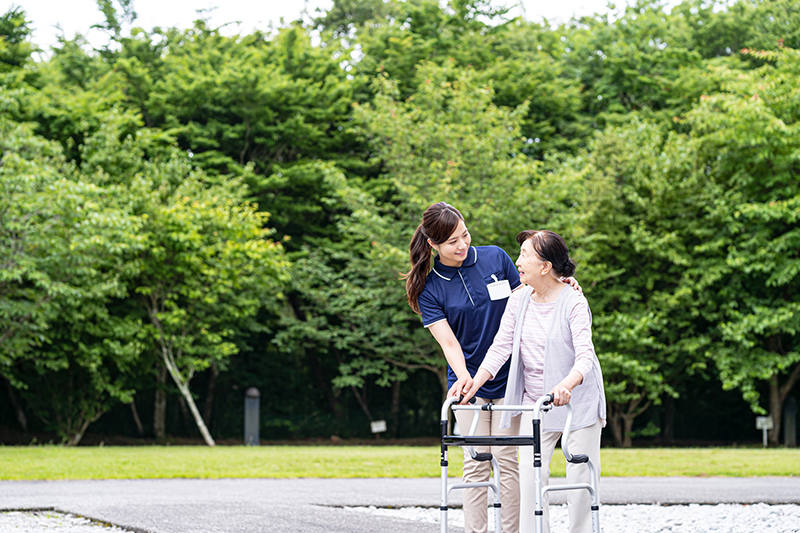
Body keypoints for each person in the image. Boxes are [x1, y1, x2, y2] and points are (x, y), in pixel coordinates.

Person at [405, 203, 580, 533]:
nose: (462, 244)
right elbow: (449, 343)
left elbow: (533, 296)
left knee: (508, 459)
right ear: (433, 245)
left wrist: (562, 286)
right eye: (453, 241)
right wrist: (467, 377)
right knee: (475, 462)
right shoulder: (430, 287)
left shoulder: (496, 258)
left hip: (511, 377)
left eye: (465, 234)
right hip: (467, 381)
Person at [460, 229, 606, 533]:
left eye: (525, 255)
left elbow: (585, 357)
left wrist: (566, 384)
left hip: (576, 403)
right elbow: (500, 347)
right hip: (535, 405)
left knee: (579, 480)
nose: (518, 262)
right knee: (529, 477)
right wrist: (474, 383)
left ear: (545, 266)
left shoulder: (574, 302)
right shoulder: (519, 299)